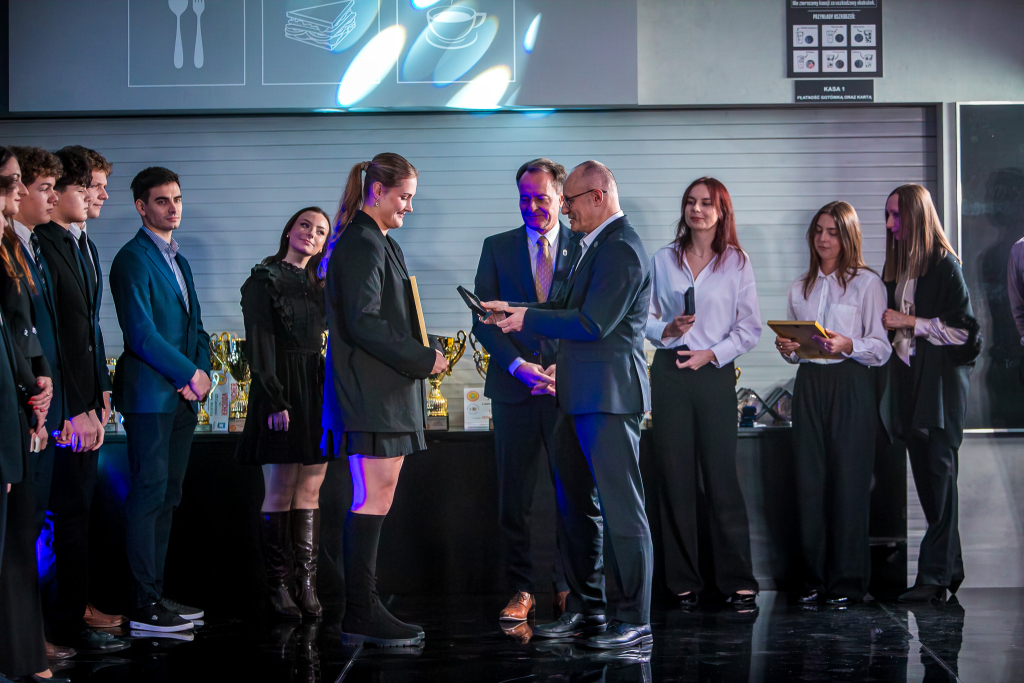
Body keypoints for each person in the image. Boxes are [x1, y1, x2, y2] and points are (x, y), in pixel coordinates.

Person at [483, 160, 655, 650]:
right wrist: (517, 310)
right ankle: (587, 610)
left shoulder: (622, 248)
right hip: (579, 397)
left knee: (622, 513)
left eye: (571, 201)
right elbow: (566, 309)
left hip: (609, 398)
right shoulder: (594, 244)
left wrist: (526, 320)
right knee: (578, 509)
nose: (565, 210)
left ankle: (633, 619)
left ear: (597, 196)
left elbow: (592, 323)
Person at [319, 153, 447, 647]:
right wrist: (422, 358)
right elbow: (364, 322)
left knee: (379, 495)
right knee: (372, 497)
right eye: (404, 197)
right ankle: (361, 612)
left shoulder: (377, 240)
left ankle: (363, 608)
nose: (409, 207)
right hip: (370, 393)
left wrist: (421, 353)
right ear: (377, 191)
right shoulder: (362, 242)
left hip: (382, 392)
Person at [29, 146, 128, 655]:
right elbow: (54, 337)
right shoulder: (42, 243)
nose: (100, 196)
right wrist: (71, 407)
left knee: (78, 513)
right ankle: (62, 621)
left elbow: (89, 327)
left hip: (86, 397)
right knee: (63, 516)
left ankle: (77, 607)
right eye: (92, 186)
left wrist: (102, 388)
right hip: (62, 405)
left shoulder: (83, 243)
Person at [645, 177, 761, 610]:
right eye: (691, 202)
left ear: (721, 211)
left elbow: (749, 328)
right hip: (671, 371)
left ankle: (737, 580)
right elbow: (642, 318)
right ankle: (682, 582)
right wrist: (667, 329)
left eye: (706, 203)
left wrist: (711, 353)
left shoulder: (737, 262)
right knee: (674, 478)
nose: (697, 209)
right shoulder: (663, 259)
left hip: (714, 372)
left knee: (721, 477)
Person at [109, 167, 212, 632]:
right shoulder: (131, 259)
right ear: (141, 207)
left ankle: (155, 594)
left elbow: (198, 329)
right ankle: (141, 603)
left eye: (177, 199)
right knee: (148, 496)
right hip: (149, 397)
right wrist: (188, 373)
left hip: (182, 399)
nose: (173, 208)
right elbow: (141, 335)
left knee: (169, 496)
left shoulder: (179, 261)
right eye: (162, 200)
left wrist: (201, 375)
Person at [471, 158, 574, 623]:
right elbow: (483, 321)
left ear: (561, 197)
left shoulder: (583, 247)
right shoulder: (496, 248)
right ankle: (522, 589)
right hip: (514, 390)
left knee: (573, 494)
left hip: (569, 390)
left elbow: (589, 317)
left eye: (541, 198)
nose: (532, 207)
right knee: (515, 498)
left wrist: (560, 368)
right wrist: (518, 366)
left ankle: (569, 587)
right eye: (524, 199)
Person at [775, 201, 891, 605]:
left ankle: (846, 582)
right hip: (809, 383)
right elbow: (797, 352)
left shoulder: (867, 284)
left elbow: (881, 348)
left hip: (851, 383)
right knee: (809, 481)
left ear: (848, 236)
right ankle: (813, 580)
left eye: (833, 232)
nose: (823, 239)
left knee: (848, 483)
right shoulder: (800, 287)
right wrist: (788, 349)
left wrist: (849, 344)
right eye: (819, 231)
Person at [880, 184, 980, 603]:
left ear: (917, 216)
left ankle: (933, 578)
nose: (890, 224)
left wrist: (909, 321)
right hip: (912, 388)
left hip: (939, 392)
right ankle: (948, 571)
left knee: (939, 481)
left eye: (896, 215)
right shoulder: (901, 266)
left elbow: (964, 333)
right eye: (887, 215)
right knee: (930, 483)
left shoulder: (944, 265)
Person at [236, 207, 332, 620]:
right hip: (280, 389)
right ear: (290, 230)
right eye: (305, 225)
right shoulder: (264, 278)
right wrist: (275, 399)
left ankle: (306, 586)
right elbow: (258, 343)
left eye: (321, 231)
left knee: (310, 491)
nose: (311, 233)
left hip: (316, 389)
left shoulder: (321, 284)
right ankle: (278, 587)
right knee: (280, 491)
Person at [0, 163, 65, 682]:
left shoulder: (17, 247)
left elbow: (28, 331)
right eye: (17, 182)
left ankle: (24, 655)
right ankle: (21, 656)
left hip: (22, 399)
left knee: (21, 540)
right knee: (17, 540)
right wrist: (31, 388)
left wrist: (39, 384)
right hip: (13, 399)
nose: (23, 191)